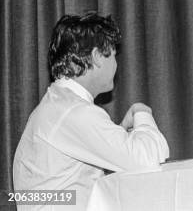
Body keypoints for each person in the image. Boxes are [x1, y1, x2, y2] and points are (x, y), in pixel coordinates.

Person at [13, 12, 169, 210]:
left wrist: (118, 132)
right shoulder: (74, 112)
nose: (116, 64)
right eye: (113, 55)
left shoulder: (57, 107)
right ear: (96, 56)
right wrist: (142, 114)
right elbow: (149, 160)